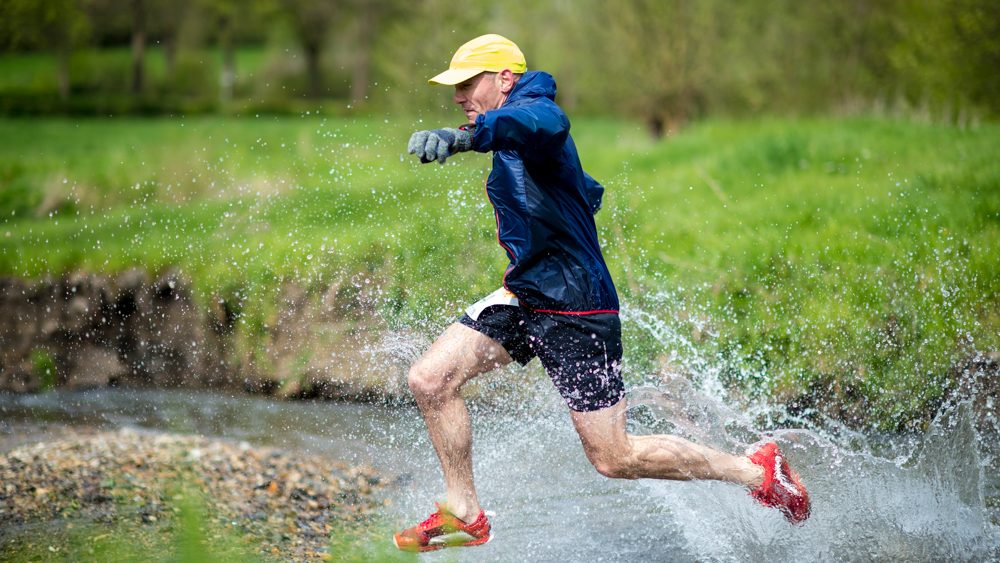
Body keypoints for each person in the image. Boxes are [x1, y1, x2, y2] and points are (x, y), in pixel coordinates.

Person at [394, 34, 810, 553]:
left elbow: (540, 126)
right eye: (454, 88)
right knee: (430, 380)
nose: (457, 96)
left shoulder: (535, 113)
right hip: (527, 295)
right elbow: (570, 185)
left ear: (505, 78)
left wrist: (464, 137)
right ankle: (465, 512)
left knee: (613, 458)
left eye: (467, 83)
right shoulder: (505, 128)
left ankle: (756, 473)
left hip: (576, 307)